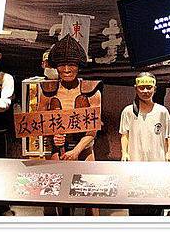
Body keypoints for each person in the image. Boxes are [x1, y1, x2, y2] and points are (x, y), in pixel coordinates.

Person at [38, 35, 101, 216]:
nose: (66, 70)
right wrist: (52, 135)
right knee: (52, 197)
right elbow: (40, 123)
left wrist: (76, 151)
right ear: (56, 66)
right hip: (57, 148)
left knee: (91, 198)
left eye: (71, 64)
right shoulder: (47, 91)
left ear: (78, 65)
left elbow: (92, 130)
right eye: (62, 65)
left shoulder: (91, 91)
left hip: (84, 148)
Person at [120, 72, 170, 216]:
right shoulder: (128, 111)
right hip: (135, 162)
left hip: (157, 162)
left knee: (156, 200)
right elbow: (124, 134)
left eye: (149, 87)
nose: (145, 91)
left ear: (154, 89)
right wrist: (125, 153)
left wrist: (168, 152)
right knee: (135, 200)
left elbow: (169, 134)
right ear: (136, 88)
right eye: (142, 87)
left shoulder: (162, 111)